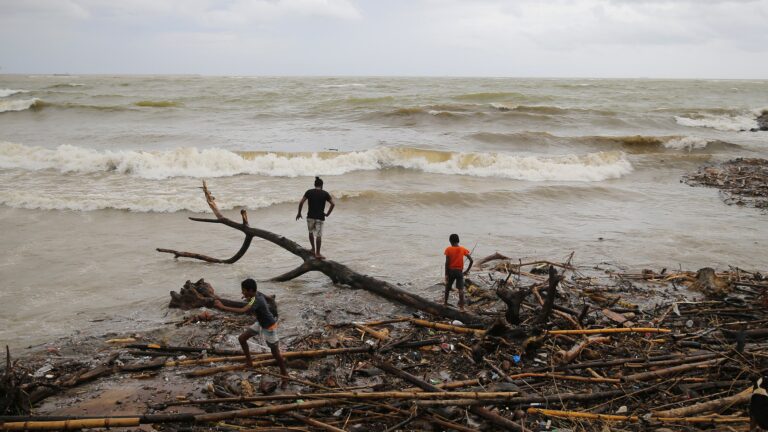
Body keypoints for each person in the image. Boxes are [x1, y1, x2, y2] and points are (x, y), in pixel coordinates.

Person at [213, 278, 289, 389]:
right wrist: (248, 297)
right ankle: (249, 362)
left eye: (243, 290)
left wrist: (222, 307)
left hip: (269, 326)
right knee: (242, 339)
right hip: (261, 323)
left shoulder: (256, 299)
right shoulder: (256, 295)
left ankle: (285, 376)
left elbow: (243, 310)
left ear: (250, 290)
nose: (242, 292)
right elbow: (266, 299)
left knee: (275, 354)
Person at [296, 176, 335, 259]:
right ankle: (317, 253)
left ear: (314, 184)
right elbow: (333, 204)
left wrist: (299, 213)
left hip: (310, 216)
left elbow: (301, 202)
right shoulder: (325, 193)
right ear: (321, 185)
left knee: (310, 233)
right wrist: (327, 214)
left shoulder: (309, 192)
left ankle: (313, 249)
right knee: (318, 235)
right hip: (320, 217)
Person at [444, 233, 473, 310]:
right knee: (461, 290)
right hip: (459, 272)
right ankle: (462, 308)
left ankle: (445, 303)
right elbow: (471, 260)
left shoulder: (448, 249)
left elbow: (447, 263)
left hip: (451, 271)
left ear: (450, 241)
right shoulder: (463, 249)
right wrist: (466, 271)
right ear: (458, 240)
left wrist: (446, 274)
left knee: (447, 287)